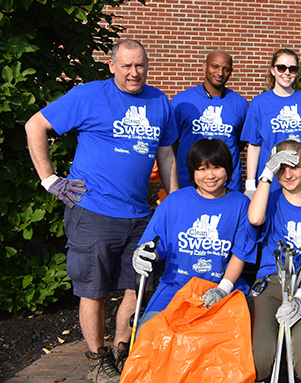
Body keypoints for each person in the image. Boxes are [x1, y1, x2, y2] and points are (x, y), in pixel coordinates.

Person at [24, 39, 178, 383]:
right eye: (126, 66)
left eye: (140, 66)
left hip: (140, 215)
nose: (134, 73)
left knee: (137, 286)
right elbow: (35, 125)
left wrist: (174, 201)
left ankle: (122, 351)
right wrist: (49, 180)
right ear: (112, 66)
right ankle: (96, 359)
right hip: (93, 210)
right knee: (92, 289)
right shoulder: (90, 95)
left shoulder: (158, 102)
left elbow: (166, 155)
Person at [131, 138, 257, 324]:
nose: (210, 175)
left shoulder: (241, 204)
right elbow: (156, 246)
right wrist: (144, 255)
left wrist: (224, 288)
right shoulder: (173, 202)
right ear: (192, 171)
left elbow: (240, 253)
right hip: (175, 287)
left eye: (216, 167)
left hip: (221, 288)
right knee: (149, 332)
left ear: (228, 169)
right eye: (202, 169)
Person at [247, 139, 301, 383]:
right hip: (271, 284)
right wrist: (266, 173)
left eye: (293, 166)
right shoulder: (270, 200)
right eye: (280, 168)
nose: (287, 174)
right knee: (261, 354)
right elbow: (255, 219)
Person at [242, 49, 301, 200]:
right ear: (273, 70)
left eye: (292, 69)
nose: (287, 73)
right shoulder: (259, 103)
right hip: (271, 179)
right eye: (281, 68)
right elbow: (254, 146)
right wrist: (250, 184)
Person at [171, 50, 249, 191]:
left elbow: (240, 142)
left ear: (231, 71)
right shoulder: (181, 101)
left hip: (229, 185)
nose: (220, 73)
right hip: (189, 183)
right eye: (215, 66)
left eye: (226, 69)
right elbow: (172, 141)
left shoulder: (241, 104)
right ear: (204, 66)